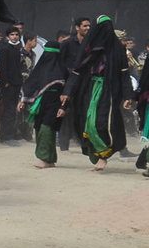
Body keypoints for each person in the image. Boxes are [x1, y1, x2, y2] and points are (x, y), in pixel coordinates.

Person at [59, 15, 135, 171]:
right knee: (88, 123)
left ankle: (103, 157)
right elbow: (77, 71)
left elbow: (124, 74)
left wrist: (128, 96)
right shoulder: (88, 48)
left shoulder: (118, 49)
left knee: (100, 124)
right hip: (88, 89)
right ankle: (98, 155)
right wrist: (67, 92)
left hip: (109, 91)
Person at [20, 40, 69, 169]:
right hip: (41, 102)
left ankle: (44, 158)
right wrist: (23, 100)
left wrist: (63, 107)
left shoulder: (63, 69)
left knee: (47, 129)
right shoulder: (40, 68)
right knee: (39, 128)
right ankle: (50, 159)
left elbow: (68, 91)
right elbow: (32, 83)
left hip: (56, 103)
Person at [58, 16, 91, 152]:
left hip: (86, 84)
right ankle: (64, 146)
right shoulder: (68, 44)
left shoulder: (91, 44)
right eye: (85, 26)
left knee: (84, 113)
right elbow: (60, 63)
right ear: (77, 27)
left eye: (89, 26)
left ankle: (84, 145)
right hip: (69, 84)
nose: (88, 28)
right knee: (67, 114)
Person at [0, 27, 24, 147]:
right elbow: (2, 67)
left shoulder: (18, 49)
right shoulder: (4, 49)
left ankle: (9, 135)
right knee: (8, 110)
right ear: (8, 36)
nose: (14, 37)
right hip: (8, 85)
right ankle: (6, 136)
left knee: (12, 110)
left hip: (16, 84)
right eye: (12, 34)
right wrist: (5, 82)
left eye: (16, 34)